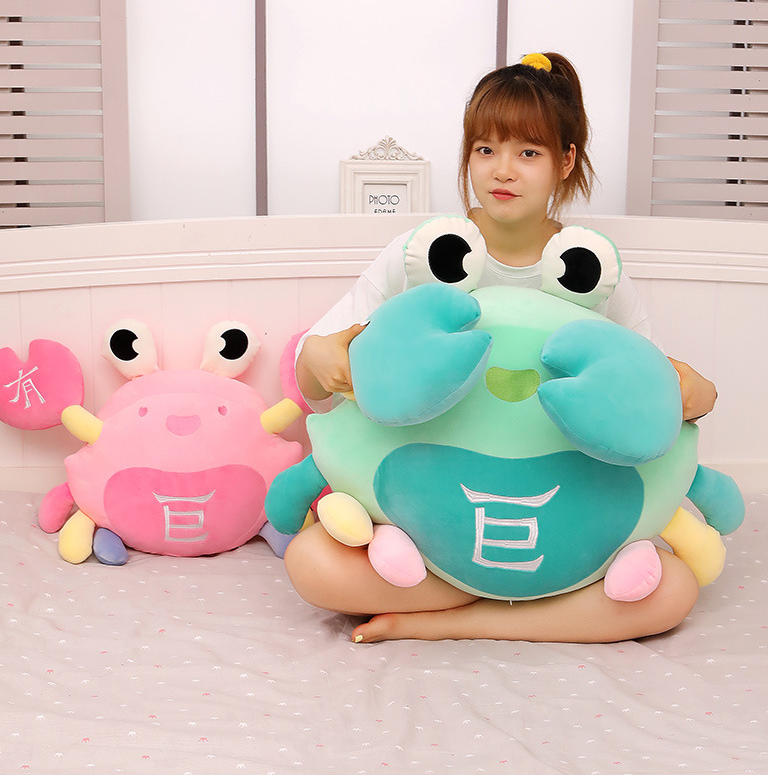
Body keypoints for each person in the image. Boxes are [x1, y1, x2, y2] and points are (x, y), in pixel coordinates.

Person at [286, 52, 717, 644]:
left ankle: (451, 620)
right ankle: (521, 597)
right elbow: (313, 379)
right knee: (311, 562)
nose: (502, 171)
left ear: (566, 160)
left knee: (673, 591)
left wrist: (696, 392)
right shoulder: (424, 253)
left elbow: (651, 395)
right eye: (485, 150)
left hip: (558, 511)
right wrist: (320, 359)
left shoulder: (592, 270)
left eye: (528, 153)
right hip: (436, 516)